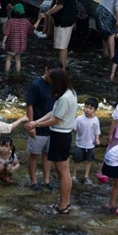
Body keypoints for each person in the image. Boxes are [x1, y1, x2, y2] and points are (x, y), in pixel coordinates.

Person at [26, 68, 77, 214]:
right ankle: (65, 203)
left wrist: (37, 124)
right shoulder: (69, 93)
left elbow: (55, 119)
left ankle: (63, 204)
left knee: (63, 173)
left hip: (60, 136)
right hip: (62, 135)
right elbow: (52, 113)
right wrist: (36, 122)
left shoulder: (65, 98)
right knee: (64, 172)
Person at [25, 60, 62, 191]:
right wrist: (31, 125)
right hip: (38, 124)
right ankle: (33, 181)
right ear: (46, 70)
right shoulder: (36, 85)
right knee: (34, 155)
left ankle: (46, 180)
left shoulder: (57, 85)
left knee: (47, 154)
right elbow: (29, 105)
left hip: (52, 126)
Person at [40, 0, 77, 67]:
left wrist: (48, 13)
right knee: (64, 46)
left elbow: (60, 5)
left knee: (61, 47)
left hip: (63, 20)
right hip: (69, 18)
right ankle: (63, 67)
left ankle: (61, 70)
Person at [2, 3, 38, 74]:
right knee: (18, 59)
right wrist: (39, 19)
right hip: (21, 45)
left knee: (8, 59)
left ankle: (6, 74)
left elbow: (6, 33)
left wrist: (3, 42)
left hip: (11, 45)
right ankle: (18, 74)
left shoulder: (10, 21)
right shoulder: (26, 21)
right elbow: (32, 29)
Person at [71, 98, 101, 183]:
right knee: (76, 160)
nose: (87, 110)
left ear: (95, 110)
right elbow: (74, 128)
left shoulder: (95, 120)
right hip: (79, 144)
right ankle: (73, 175)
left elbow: (97, 131)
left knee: (88, 161)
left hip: (90, 144)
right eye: (86, 107)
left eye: (90, 108)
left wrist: (97, 139)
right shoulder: (79, 119)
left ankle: (86, 176)